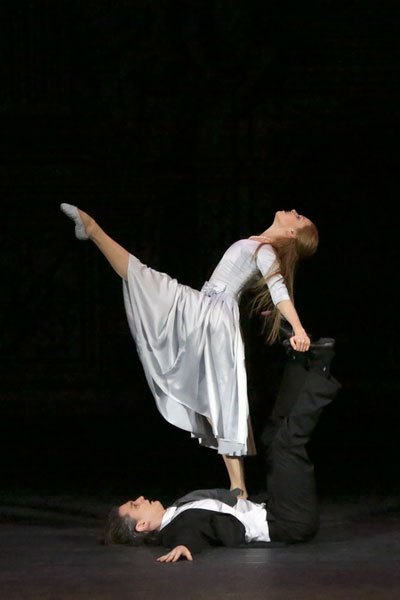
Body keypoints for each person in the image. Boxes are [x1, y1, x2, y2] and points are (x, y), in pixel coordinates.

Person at [60, 204, 318, 498]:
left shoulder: (266, 251)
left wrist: (297, 328)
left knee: (147, 281)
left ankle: (92, 228)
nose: (294, 211)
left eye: (298, 217)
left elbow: (279, 290)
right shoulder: (259, 245)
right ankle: (238, 487)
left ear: (292, 232)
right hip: (208, 308)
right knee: (214, 397)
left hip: (212, 315)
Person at [101, 337, 341, 562]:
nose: (141, 498)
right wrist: (183, 547)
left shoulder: (178, 507)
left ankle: (298, 360)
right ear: (142, 526)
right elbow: (189, 534)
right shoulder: (176, 528)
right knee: (285, 445)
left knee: (271, 437)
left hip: (274, 507)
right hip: (288, 522)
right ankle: (321, 369)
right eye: (135, 505)